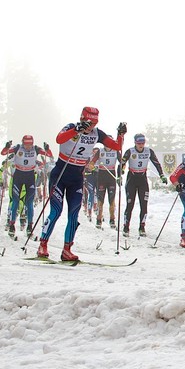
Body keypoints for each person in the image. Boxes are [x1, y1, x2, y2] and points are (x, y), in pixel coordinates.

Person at [35, 107, 126, 261]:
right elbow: (59, 139)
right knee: (56, 212)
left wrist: (121, 134)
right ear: (82, 119)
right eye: (88, 122)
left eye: (94, 123)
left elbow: (117, 146)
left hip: (76, 178)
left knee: (73, 214)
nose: (90, 126)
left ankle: (67, 249)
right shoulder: (71, 127)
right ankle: (42, 244)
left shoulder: (97, 133)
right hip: (60, 174)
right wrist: (76, 130)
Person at [1, 135, 53, 236]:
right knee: (15, 201)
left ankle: (29, 227)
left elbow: (49, 155)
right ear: (23, 143)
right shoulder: (17, 148)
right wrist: (7, 147)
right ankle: (12, 225)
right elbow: (3, 153)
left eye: (30, 144)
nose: (28, 147)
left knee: (29, 203)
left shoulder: (36, 149)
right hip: (18, 176)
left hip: (30, 177)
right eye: (26, 144)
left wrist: (47, 148)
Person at [118, 133, 167, 236]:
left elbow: (156, 163)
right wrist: (120, 174)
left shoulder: (148, 151)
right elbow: (122, 163)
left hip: (142, 179)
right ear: (135, 143)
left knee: (143, 205)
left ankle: (142, 227)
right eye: (139, 143)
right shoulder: (130, 151)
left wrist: (162, 175)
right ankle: (126, 227)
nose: (141, 145)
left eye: (143, 143)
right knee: (130, 204)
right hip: (131, 178)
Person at [94, 144, 120, 229]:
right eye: (106, 144)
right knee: (100, 199)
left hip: (111, 175)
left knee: (111, 199)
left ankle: (112, 219)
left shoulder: (116, 151)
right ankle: (98, 219)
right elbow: (93, 161)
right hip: (101, 175)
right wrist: (92, 166)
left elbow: (122, 162)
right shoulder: (100, 151)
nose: (107, 145)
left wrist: (121, 173)